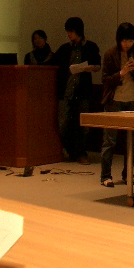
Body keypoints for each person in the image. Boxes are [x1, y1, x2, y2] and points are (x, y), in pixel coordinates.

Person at [100, 23, 134, 187]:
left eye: (130, 41)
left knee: (132, 142)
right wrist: (121, 73)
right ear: (118, 40)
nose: (127, 44)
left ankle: (128, 173)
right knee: (110, 140)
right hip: (114, 100)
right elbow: (105, 80)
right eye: (124, 41)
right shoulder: (110, 54)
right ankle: (105, 176)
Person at [51, 17, 101, 165]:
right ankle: (71, 150)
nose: (69, 34)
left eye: (71, 31)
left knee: (83, 125)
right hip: (66, 91)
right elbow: (53, 63)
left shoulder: (90, 47)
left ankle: (81, 153)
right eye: (68, 32)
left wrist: (87, 68)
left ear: (78, 31)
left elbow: (98, 66)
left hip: (83, 91)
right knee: (63, 123)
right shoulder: (64, 49)